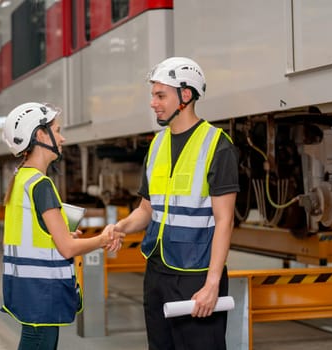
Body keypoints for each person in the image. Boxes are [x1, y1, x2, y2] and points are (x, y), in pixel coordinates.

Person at [112, 57, 240, 349]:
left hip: (195, 276)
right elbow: (147, 209)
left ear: (185, 95)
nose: (153, 103)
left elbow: (225, 221)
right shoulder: (156, 145)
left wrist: (212, 285)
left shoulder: (217, 145)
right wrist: (122, 226)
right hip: (157, 272)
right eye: (153, 95)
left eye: (160, 95)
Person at [1, 102, 123, 350]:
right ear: (40, 135)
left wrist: (58, 234)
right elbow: (67, 249)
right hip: (42, 292)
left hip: (26, 288)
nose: (62, 138)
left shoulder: (22, 179)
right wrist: (103, 238)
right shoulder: (41, 184)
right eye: (57, 130)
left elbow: (34, 234)